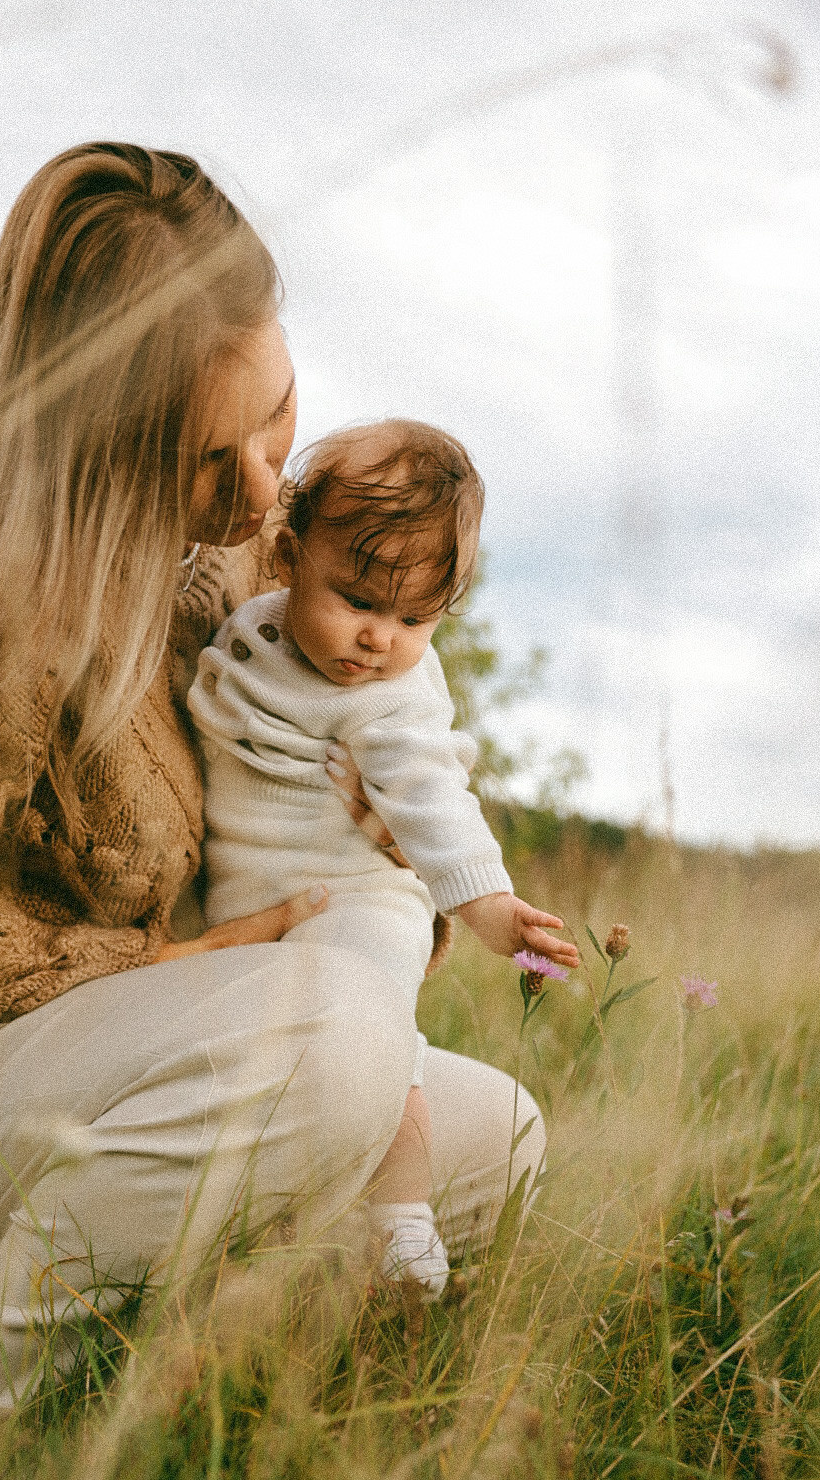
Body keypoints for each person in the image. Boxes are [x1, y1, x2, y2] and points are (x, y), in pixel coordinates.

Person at [0, 143, 550, 1439]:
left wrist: (369, 844)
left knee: (498, 1136)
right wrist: (170, 959)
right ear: (96, 448)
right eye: (210, 458)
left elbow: (348, 758)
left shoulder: (241, 565)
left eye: (277, 417)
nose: (266, 489)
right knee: (333, 1046)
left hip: (93, 1081)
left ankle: (148, 1363)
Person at [187, 419, 578, 1299]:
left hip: (361, 903)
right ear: (287, 558)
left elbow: (432, 801)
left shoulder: (393, 702)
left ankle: (402, 1226)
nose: (380, 640)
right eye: (358, 602)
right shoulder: (253, 627)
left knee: (375, 1057)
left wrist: (488, 906)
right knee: (270, 1072)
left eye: (414, 619)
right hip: (255, 906)